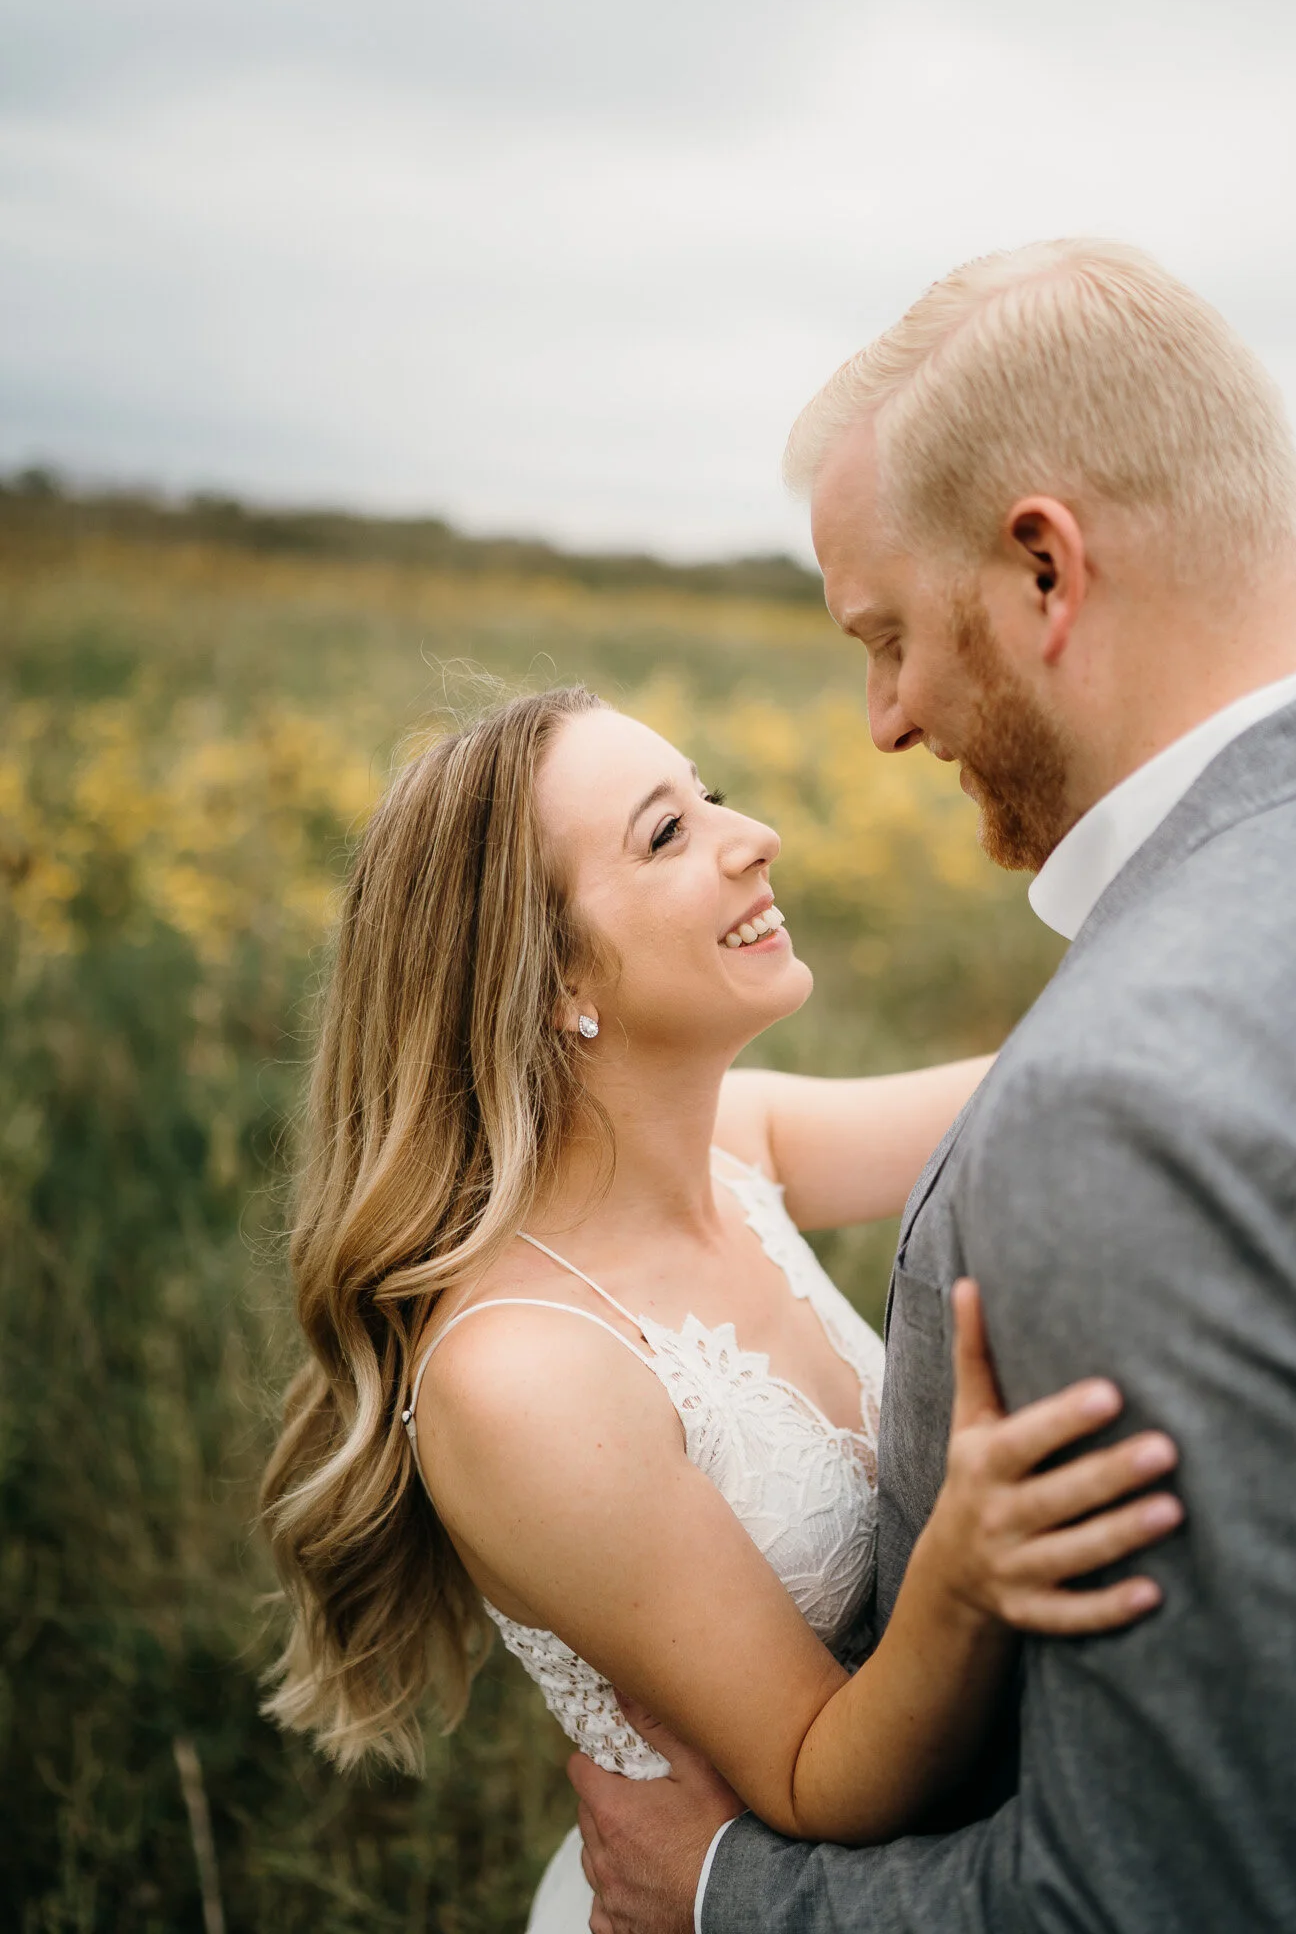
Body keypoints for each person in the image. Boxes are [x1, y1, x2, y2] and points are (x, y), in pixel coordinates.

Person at [573, 239, 1296, 1933]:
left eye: (889, 635)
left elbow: (1178, 1893)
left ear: (1042, 571)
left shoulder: (1126, 1101)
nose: (883, 720)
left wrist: (720, 1893)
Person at [258, 682, 1182, 1933]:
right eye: (664, 833)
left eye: (712, 796)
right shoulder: (525, 1374)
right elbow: (812, 1777)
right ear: (551, 979)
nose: (753, 836)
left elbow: (1054, 1078)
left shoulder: (738, 1142)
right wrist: (961, 1570)